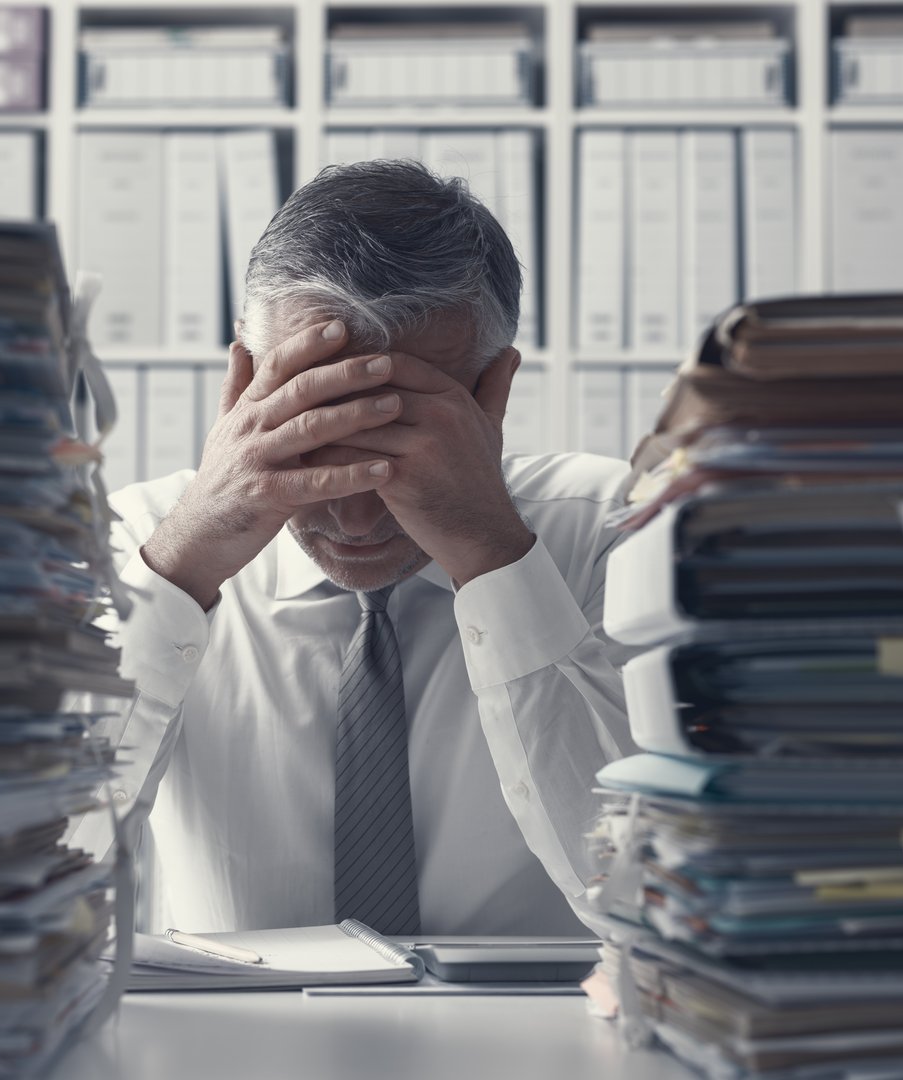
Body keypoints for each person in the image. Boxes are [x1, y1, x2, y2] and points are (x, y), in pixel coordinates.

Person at [95, 159, 636, 935]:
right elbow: (36, 873)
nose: (351, 520)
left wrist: (493, 556)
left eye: (401, 441)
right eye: (314, 439)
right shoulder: (140, 543)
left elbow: (642, 897)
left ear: (496, 395)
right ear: (245, 382)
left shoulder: (606, 532)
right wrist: (181, 572)